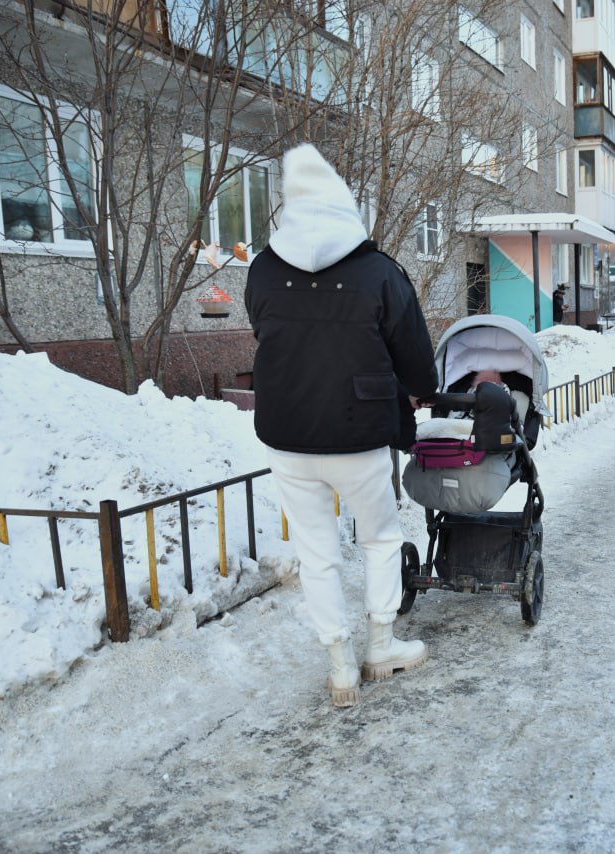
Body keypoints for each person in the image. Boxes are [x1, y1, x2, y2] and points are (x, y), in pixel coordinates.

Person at [244, 143, 438, 709]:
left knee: (317, 554)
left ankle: (340, 668)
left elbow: (265, 331)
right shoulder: (379, 272)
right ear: (342, 205)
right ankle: (380, 647)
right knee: (379, 538)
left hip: (288, 435)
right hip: (360, 432)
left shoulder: (262, 269)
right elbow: (418, 366)